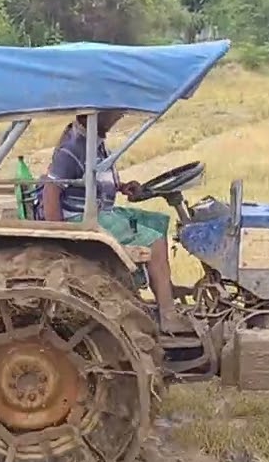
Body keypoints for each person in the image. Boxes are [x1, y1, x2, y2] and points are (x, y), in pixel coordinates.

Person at [35, 110, 192, 334]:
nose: (119, 117)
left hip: (101, 210)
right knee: (154, 241)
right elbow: (51, 191)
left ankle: (164, 291)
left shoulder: (94, 144)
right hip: (84, 218)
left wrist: (122, 186)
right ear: (95, 115)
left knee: (158, 223)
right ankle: (168, 316)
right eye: (115, 114)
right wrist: (61, 235)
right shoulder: (72, 148)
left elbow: (93, 179)